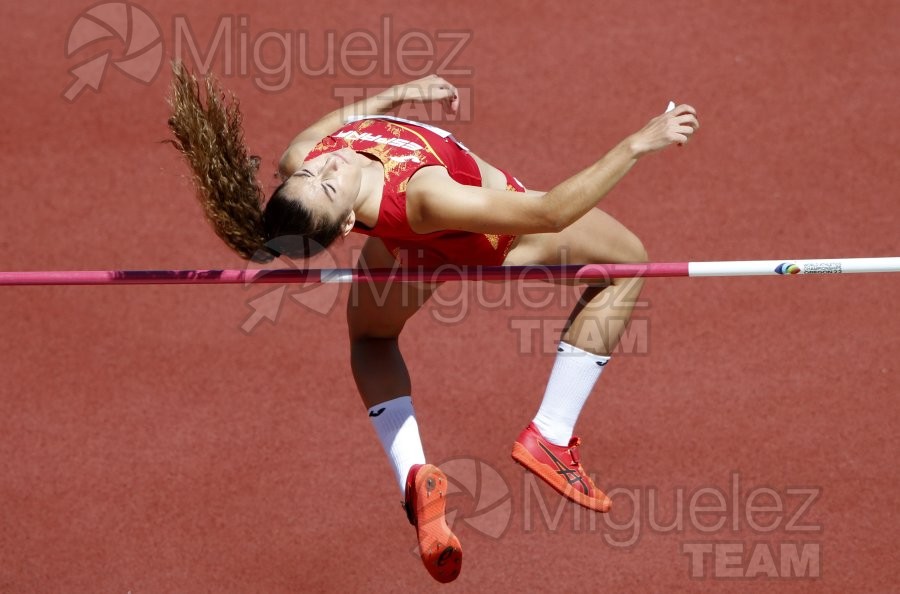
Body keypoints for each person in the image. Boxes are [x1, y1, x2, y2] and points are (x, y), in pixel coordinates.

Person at [166, 61, 699, 583]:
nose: (328, 167)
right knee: (627, 265)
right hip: (493, 238)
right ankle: (551, 435)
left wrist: (399, 92)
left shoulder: (304, 155)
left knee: (372, 339)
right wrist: (637, 143)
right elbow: (550, 213)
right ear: (348, 220)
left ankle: (414, 474)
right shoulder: (424, 196)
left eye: (312, 172)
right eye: (327, 186)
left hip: (403, 251)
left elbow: (342, 125)